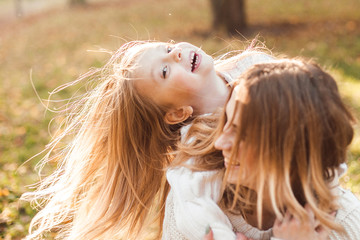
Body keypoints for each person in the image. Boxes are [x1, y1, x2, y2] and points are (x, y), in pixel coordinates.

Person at [21, 40, 274, 239]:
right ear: (177, 113)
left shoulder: (256, 65)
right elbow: (190, 220)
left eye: (168, 47)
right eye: (164, 71)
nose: (176, 54)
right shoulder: (194, 164)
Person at [163, 59, 360, 240]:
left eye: (240, 135)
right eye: (226, 124)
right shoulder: (195, 197)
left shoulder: (344, 226)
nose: (220, 143)